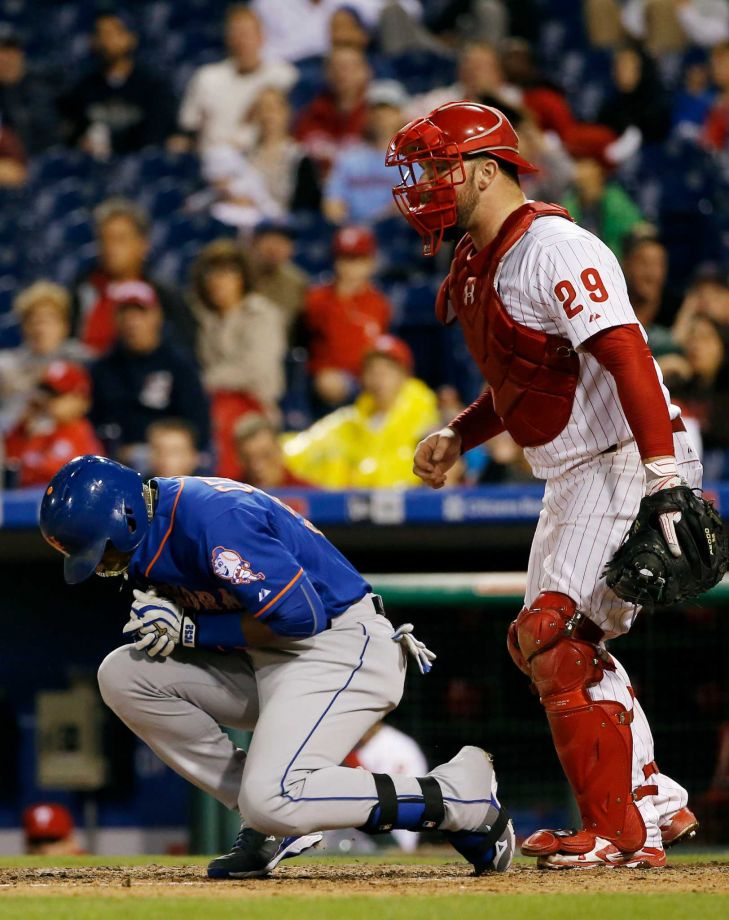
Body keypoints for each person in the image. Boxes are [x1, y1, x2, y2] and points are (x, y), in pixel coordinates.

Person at [387, 101, 702, 868]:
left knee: (555, 640)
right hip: (575, 468)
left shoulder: (555, 245)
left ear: (486, 169)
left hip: (628, 451)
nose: (425, 183)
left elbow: (625, 352)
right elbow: (523, 377)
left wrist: (663, 476)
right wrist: (459, 433)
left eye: (438, 166)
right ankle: (651, 798)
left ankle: (616, 833)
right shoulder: (477, 259)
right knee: (550, 645)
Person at [39, 454, 515, 879]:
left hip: (340, 647)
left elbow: (301, 616)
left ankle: (455, 797)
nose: (105, 565)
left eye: (104, 551)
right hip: (270, 662)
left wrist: (192, 632)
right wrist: (178, 627)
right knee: (124, 674)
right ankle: (268, 825)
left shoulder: (212, 517)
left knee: (276, 798)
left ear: (123, 520)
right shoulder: (148, 536)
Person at [284, 335, 439, 488]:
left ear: (404, 375)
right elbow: (300, 449)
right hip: (356, 505)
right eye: (372, 370)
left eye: (387, 369)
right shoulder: (351, 421)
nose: (379, 377)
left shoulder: (424, 412)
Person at [190, 239, 286, 478]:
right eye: (211, 274)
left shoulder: (260, 313)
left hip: (255, 404)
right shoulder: (205, 319)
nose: (217, 281)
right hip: (214, 402)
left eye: (226, 273)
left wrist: (204, 381)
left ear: (241, 277)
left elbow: (254, 368)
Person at [90, 281, 210, 463]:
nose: (133, 321)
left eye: (140, 312)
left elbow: (198, 427)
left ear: (156, 316)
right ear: (115, 319)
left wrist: (160, 448)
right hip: (114, 460)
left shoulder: (178, 365)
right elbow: (94, 423)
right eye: (125, 314)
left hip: (169, 459)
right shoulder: (103, 368)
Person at [71, 198, 197, 356]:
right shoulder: (82, 287)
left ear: (143, 245)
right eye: (104, 240)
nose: (110, 248)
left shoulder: (163, 295)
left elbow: (183, 347)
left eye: (120, 240)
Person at [177, 5, 297, 153]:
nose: (242, 42)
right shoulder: (207, 77)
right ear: (228, 40)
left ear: (261, 37)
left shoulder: (283, 76)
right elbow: (188, 128)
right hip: (211, 160)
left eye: (248, 34)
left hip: (258, 159)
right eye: (236, 35)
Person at [57, 10, 177, 156]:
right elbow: (72, 134)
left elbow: (155, 138)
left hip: (139, 169)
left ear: (130, 38)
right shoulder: (83, 88)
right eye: (100, 34)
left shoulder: (152, 86)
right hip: (95, 169)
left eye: (113, 33)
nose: (106, 40)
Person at [306, 226, 392, 408]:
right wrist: (340, 296)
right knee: (330, 384)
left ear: (370, 263)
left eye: (358, 260)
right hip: (333, 375)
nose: (350, 267)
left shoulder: (378, 301)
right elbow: (307, 336)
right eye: (345, 259)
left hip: (368, 375)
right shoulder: (318, 297)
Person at [0, 281, 89, 432]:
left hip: (67, 441)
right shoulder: (6, 365)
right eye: (34, 321)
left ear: (65, 326)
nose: (41, 329)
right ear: (23, 327)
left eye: (49, 320)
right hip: (15, 440)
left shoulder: (83, 360)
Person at [323, 79, 409, 225]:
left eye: (388, 110)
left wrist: (375, 224)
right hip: (351, 230)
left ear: (400, 114)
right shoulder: (348, 157)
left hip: (394, 230)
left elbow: (409, 204)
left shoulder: (412, 160)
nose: (381, 116)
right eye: (376, 110)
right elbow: (332, 203)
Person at [4, 361, 101, 488]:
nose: (47, 400)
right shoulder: (38, 431)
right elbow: (9, 463)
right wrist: (22, 428)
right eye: (46, 393)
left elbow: (49, 477)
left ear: (80, 400)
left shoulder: (81, 434)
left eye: (56, 394)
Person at [343, 721, 428, 852]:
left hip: (392, 838)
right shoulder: (347, 746)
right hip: (350, 841)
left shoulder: (399, 747)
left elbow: (400, 804)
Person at [295, 45, 371, 176]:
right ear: (326, 74)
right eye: (336, 67)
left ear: (366, 72)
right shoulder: (312, 114)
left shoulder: (378, 114)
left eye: (350, 67)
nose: (342, 73)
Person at [560, 156, 645, 258]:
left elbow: (637, 227)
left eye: (590, 181)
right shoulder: (570, 204)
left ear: (599, 177)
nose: (586, 188)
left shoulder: (615, 199)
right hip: (579, 259)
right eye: (582, 185)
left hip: (614, 258)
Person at [0, 25, 57, 155]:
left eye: (9, 50)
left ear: (20, 53)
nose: (4, 58)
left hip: (49, 163)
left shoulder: (48, 84)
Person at [249, 221, 310, 336]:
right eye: (270, 240)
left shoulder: (297, 282)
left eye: (284, 242)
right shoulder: (239, 274)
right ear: (254, 242)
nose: (276, 248)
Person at [234, 414, 312, 488]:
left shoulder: (309, 495)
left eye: (266, 455)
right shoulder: (231, 495)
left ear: (279, 450)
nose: (257, 467)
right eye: (248, 459)